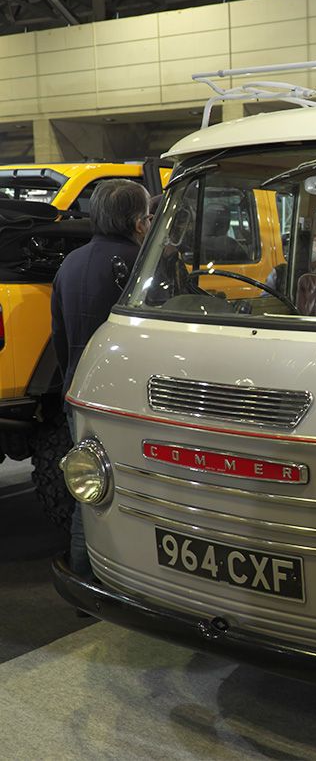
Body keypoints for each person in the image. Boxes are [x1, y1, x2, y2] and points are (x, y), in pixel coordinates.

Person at [51, 179, 152, 578]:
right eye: (147, 217)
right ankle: (129, 577)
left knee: (92, 493)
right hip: (129, 402)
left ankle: (84, 574)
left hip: (79, 392)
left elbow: (60, 337)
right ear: (138, 222)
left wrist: (72, 383)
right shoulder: (142, 266)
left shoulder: (70, 264)